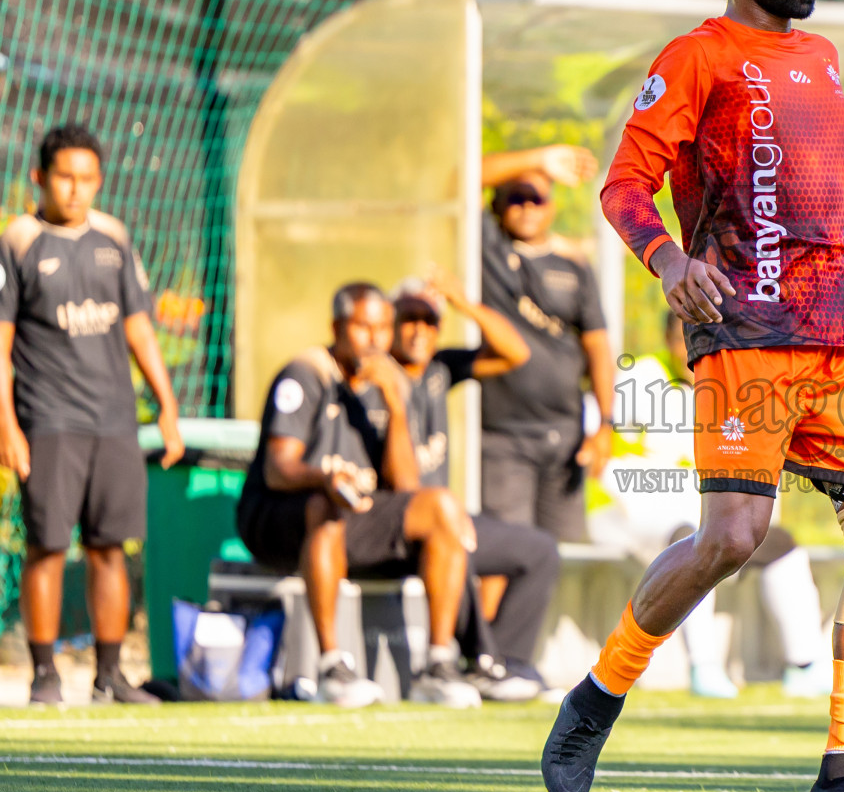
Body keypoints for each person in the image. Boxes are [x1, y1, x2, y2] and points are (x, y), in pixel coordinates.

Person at [541, 0, 844, 792]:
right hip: (747, 335)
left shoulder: (823, 57)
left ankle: (842, 774)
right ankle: (598, 695)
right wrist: (669, 262)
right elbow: (624, 185)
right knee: (732, 541)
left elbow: (826, 200)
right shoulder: (695, 57)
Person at [1, 123, 184, 706]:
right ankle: (44, 676)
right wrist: (7, 427)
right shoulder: (18, 242)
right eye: (65, 177)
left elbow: (139, 328)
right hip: (48, 419)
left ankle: (110, 677)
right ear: (40, 177)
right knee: (48, 547)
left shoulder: (113, 237)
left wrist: (167, 405)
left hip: (114, 420)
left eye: (87, 179)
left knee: (111, 548)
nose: (76, 190)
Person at [236, 282, 481, 709]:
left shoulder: (388, 382)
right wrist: (325, 477)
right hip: (278, 518)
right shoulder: (307, 373)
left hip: (352, 517)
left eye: (384, 328)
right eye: (364, 327)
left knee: (441, 506)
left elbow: (407, 489)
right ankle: (333, 669)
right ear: (336, 327)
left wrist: (396, 404)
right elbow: (278, 468)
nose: (376, 339)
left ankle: (437, 666)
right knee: (326, 506)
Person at [597, 310, 832, 699]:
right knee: (692, 539)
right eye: (687, 338)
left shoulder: (732, 389)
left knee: (779, 542)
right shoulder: (640, 379)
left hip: (695, 514)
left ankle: (805, 665)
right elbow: (596, 443)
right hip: (623, 510)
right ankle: (703, 667)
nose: (697, 349)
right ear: (671, 339)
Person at [390, 267, 560, 701]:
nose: (419, 330)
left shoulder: (439, 369)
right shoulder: (378, 375)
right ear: (389, 323)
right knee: (453, 540)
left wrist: (463, 302)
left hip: (445, 517)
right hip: (399, 523)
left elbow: (516, 352)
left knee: (539, 550)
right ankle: (479, 661)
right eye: (408, 319)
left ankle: (506, 662)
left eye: (429, 320)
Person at [479, 145, 614, 542]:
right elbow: (464, 177)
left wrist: (605, 424)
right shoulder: (487, 249)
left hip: (564, 439)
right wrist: (540, 161)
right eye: (515, 198)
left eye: (536, 198)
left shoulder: (574, 265)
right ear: (497, 205)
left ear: (552, 206)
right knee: (510, 551)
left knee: (565, 555)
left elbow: (598, 347)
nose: (527, 207)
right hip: (503, 439)